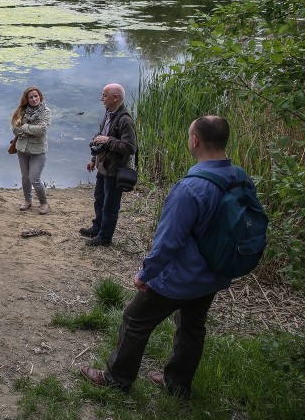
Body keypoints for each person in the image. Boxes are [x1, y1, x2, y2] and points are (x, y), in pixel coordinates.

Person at [80, 116, 249, 398]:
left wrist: (145, 273)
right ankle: (178, 384)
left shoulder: (191, 187)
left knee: (135, 319)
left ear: (195, 141)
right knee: (193, 326)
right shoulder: (239, 177)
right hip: (215, 273)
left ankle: (117, 379)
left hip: (182, 276)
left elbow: (168, 242)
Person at [80, 83, 137, 246]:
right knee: (99, 199)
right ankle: (97, 229)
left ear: (116, 97)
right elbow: (101, 137)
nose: (101, 99)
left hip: (115, 170)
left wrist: (109, 140)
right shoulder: (109, 114)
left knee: (110, 205)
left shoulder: (125, 120)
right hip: (104, 166)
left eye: (104, 95)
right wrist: (93, 159)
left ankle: (105, 237)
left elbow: (130, 148)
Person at [10, 86, 52, 214]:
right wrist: (27, 130)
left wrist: (24, 127)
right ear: (26, 99)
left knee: (35, 178)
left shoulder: (46, 112)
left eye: (36, 96)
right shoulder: (21, 110)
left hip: (38, 151)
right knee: (25, 177)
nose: (34, 99)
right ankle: (27, 200)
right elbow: (14, 128)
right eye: (31, 97)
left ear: (40, 96)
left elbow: (42, 130)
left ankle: (44, 202)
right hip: (22, 149)